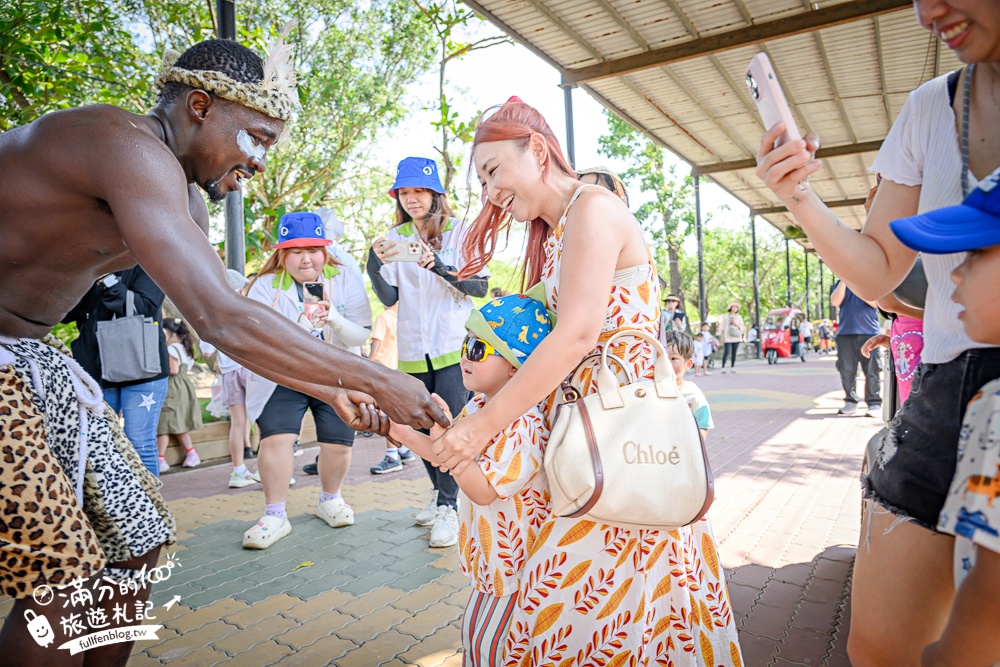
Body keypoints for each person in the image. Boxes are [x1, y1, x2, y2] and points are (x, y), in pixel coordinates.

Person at [0, 35, 443, 664]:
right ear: (201, 106)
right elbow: (222, 317)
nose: (260, 162)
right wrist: (373, 378)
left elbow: (222, 324)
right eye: (257, 138)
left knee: (139, 538)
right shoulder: (123, 144)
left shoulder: (181, 200)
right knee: (62, 583)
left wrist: (330, 389)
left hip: (32, 361)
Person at [435, 96, 741, 664]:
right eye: (481, 180)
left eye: (493, 171)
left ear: (537, 149)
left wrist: (481, 427)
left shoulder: (592, 210)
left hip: (615, 437)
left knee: (595, 604)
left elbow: (576, 336)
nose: (489, 192)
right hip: (591, 438)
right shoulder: (561, 228)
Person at [754, 2, 1000, 662]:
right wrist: (800, 197)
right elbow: (879, 269)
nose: (927, 12)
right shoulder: (930, 107)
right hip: (947, 393)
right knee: (880, 646)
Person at [386, 294, 551, 667]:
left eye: (479, 348)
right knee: (476, 638)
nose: (465, 356)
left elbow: (481, 490)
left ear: (516, 366)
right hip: (489, 558)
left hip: (515, 565)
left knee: (493, 646)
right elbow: (448, 455)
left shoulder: (522, 423)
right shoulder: (478, 406)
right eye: (465, 344)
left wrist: (446, 439)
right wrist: (412, 435)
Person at [887, 166, 1000, 666]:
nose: (955, 271)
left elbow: (991, 594)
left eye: (976, 254)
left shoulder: (994, 409)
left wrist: (944, 655)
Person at [367, 156, 489, 547]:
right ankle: (442, 495)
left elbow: (480, 288)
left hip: (454, 346)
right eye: (404, 192)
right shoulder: (395, 235)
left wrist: (437, 265)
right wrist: (372, 266)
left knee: (450, 427)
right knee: (419, 428)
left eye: (419, 190)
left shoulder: (461, 232)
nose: (411, 199)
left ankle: (451, 507)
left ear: (436, 194)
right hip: (413, 349)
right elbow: (390, 296)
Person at [242, 211, 372, 549]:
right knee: (276, 438)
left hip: (336, 374)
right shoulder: (264, 286)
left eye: (313, 250)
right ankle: (274, 514)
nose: (306, 259)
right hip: (283, 374)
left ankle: (330, 499)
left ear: (325, 251)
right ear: (282, 254)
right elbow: (257, 340)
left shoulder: (345, 278)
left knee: (338, 441)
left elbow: (362, 332)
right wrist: (299, 328)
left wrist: (336, 319)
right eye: (296, 251)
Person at [62, 266, 170, 476]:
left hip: (141, 369)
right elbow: (65, 314)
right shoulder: (87, 268)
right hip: (96, 370)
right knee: (101, 442)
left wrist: (108, 280)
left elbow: (144, 306)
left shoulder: (146, 265)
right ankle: (112, 505)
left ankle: (149, 506)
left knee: (139, 442)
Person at [201, 268, 259, 488]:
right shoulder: (246, 308)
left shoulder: (211, 313)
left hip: (228, 370)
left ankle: (238, 471)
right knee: (262, 417)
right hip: (251, 367)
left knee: (238, 422)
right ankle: (266, 469)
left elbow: (206, 350)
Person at [156, 317, 203, 471]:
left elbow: (173, 370)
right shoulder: (182, 347)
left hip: (173, 388)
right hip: (183, 386)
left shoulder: (170, 349)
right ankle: (191, 453)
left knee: (163, 425)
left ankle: (160, 459)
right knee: (178, 423)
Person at [830, 280, 882, 417]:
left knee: (872, 369)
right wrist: (845, 280)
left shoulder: (870, 281)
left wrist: (858, 284)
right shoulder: (841, 282)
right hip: (845, 333)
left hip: (869, 332)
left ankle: (874, 403)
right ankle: (850, 401)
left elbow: (877, 303)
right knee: (846, 369)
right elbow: (835, 302)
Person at [663, 330, 714, 440]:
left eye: (673, 358)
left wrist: (694, 446)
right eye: (661, 357)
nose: (666, 363)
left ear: (688, 364)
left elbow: (703, 424)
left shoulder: (692, 393)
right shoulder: (649, 390)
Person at [719, 301, 745, 373]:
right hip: (727, 337)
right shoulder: (725, 317)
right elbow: (722, 328)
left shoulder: (739, 317)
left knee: (734, 352)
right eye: (733, 307)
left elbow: (742, 327)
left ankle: (732, 367)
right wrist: (722, 337)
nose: (734, 309)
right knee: (726, 352)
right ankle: (723, 367)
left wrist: (736, 323)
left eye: (736, 307)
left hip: (736, 337)